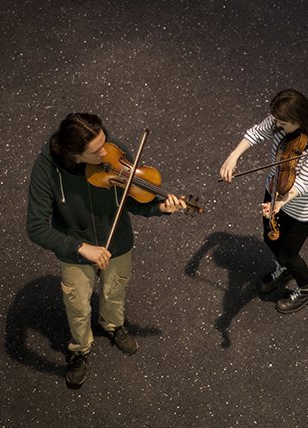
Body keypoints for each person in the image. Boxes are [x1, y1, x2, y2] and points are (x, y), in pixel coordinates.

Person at [26, 113, 188, 388]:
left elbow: (132, 199)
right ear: (74, 154)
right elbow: (36, 227)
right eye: (96, 150)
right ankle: (80, 349)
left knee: (115, 292)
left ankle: (113, 326)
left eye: (104, 141)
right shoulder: (47, 169)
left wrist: (159, 208)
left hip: (117, 243)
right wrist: (80, 247)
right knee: (77, 305)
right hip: (75, 250)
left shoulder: (113, 150)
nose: (106, 150)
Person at [219, 89, 308, 314]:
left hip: (301, 208)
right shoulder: (280, 118)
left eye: (283, 124)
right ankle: (284, 270)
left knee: (287, 253)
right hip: (274, 191)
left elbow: (305, 183)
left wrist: (281, 203)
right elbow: (256, 133)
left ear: (299, 118)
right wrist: (234, 156)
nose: (277, 126)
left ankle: (307, 288)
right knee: (270, 238)